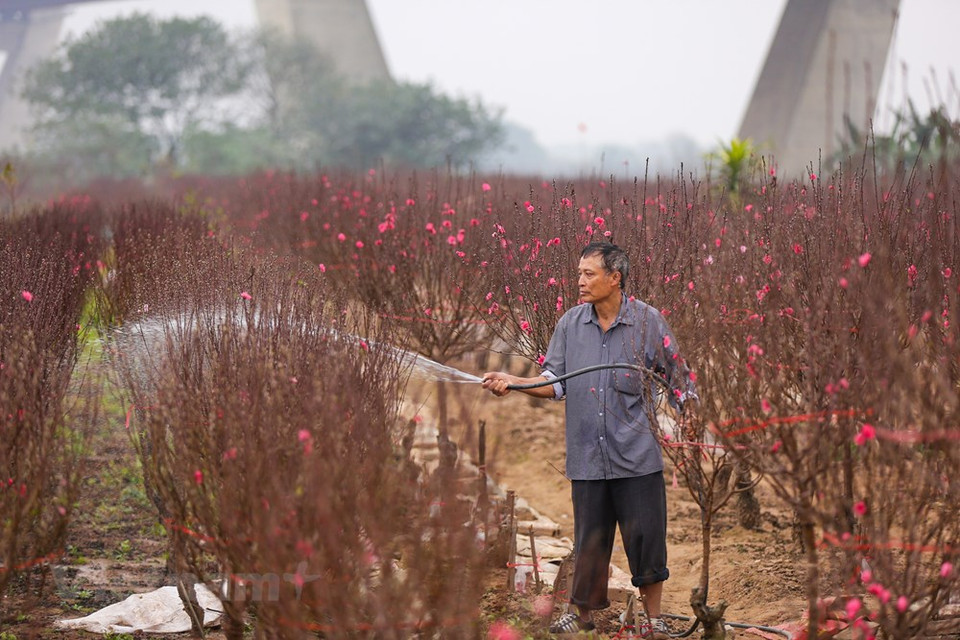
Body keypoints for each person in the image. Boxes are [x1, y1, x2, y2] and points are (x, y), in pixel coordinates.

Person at [482, 242, 696, 638]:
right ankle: (581, 615)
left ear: (615, 278)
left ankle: (653, 618)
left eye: (589, 274)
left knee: (646, 539)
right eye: (579, 274)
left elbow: (680, 379)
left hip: (636, 457)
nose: (579, 282)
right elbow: (553, 383)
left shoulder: (649, 323)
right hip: (587, 454)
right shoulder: (569, 325)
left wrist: (690, 420)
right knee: (590, 539)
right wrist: (515, 383)